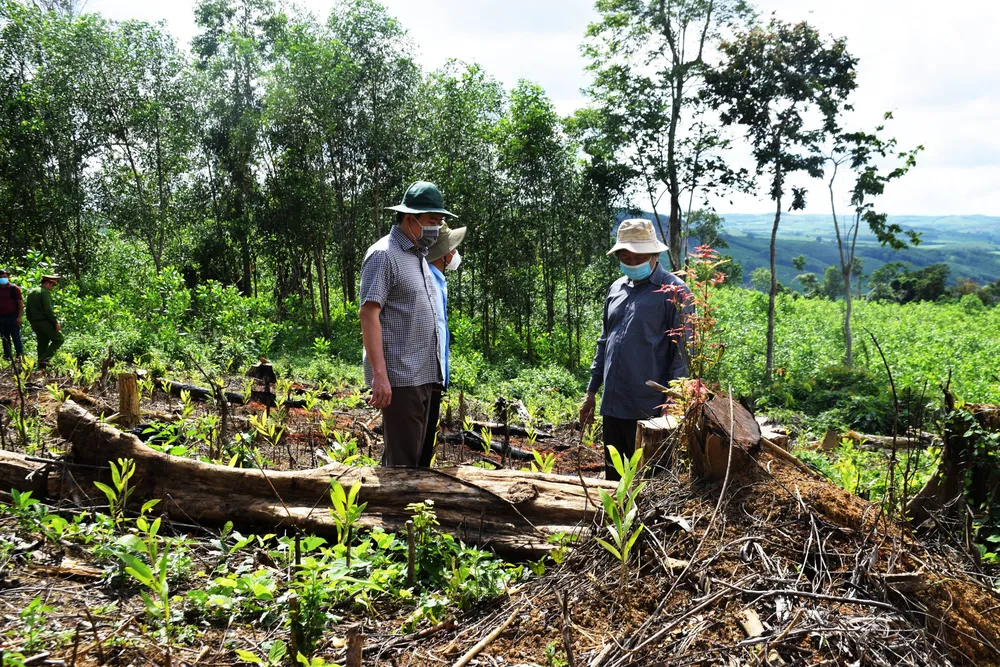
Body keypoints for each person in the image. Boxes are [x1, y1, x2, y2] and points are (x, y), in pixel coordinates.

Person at [580, 219, 690, 480]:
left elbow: (683, 353)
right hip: (614, 404)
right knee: (614, 479)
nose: (632, 263)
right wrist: (591, 392)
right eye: (625, 258)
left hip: (650, 409)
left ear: (654, 254)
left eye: (638, 257)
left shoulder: (675, 292)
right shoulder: (616, 288)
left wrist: (673, 402)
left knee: (648, 482)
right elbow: (605, 342)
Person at [359, 181, 456, 467]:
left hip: (426, 376)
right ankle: (396, 512)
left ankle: (409, 511)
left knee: (419, 461)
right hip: (401, 379)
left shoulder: (418, 256)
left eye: (439, 222)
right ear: (408, 218)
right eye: (431, 221)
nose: (435, 229)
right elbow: (369, 314)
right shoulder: (384, 255)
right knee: (402, 465)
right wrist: (379, 376)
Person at [419, 224, 467, 467]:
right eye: (454, 248)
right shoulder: (427, 282)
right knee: (417, 452)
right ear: (445, 254)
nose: (456, 253)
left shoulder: (438, 281)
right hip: (425, 381)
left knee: (425, 449)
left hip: (434, 380)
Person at [25, 274, 64, 369]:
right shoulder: (44, 292)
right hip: (44, 322)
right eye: (52, 284)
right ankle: (45, 359)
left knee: (43, 343)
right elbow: (47, 310)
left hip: (35, 323)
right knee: (59, 339)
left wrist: (31, 322)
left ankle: (41, 368)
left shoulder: (32, 292)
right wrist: (55, 323)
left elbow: (28, 310)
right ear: (46, 283)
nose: (52, 287)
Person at [0, 268, 25, 363]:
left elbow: (20, 304)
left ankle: (20, 355)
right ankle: (8, 356)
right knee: (4, 338)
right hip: (1, 317)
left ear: (8, 277)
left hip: (12, 317)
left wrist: (19, 317)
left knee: (16, 337)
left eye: (4, 277)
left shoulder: (14, 288)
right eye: (1, 277)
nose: (2, 278)